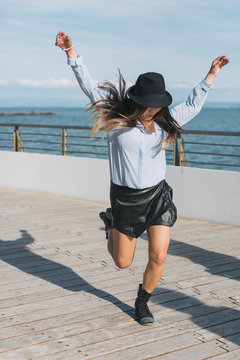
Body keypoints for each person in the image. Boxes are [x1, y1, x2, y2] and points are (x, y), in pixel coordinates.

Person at [55, 31, 229, 325]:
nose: (155, 108)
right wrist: (71, 53)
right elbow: (88, 84)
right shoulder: (115, 123)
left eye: (158, 103)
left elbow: (192, 105)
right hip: (125, 199)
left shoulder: (164, 123)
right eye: (150, 103)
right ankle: (111, 223)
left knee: (159, 256)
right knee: (122, 263)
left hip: (157, 197)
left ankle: (142, 300)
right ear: (137, 100)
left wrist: (210, 76)